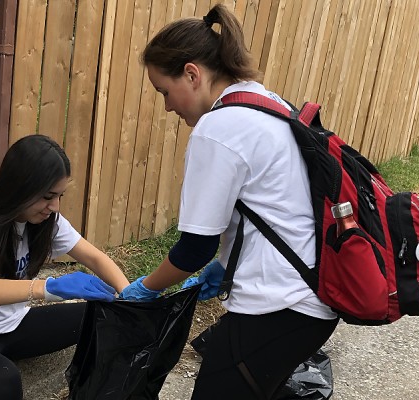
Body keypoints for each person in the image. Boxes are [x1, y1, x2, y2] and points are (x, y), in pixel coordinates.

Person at [119, 4, 339, 400]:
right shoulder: (265, 103)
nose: (167, 106)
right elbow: (274, 206)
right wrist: (224, 266)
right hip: (313, 297)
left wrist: (145, 289)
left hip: (280, 305)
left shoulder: (218, 128)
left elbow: (194, 248)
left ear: (191, 73)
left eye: (164, 92)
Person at [0, 134, 130, 400]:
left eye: (59, 196)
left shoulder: (45, 220)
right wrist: (47, 288)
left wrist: (129, 294)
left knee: (104, 317)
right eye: (47, 196)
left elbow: (94, 257)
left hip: (13, 323)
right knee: (5, 379)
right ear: (20, 187)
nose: (54, 206)